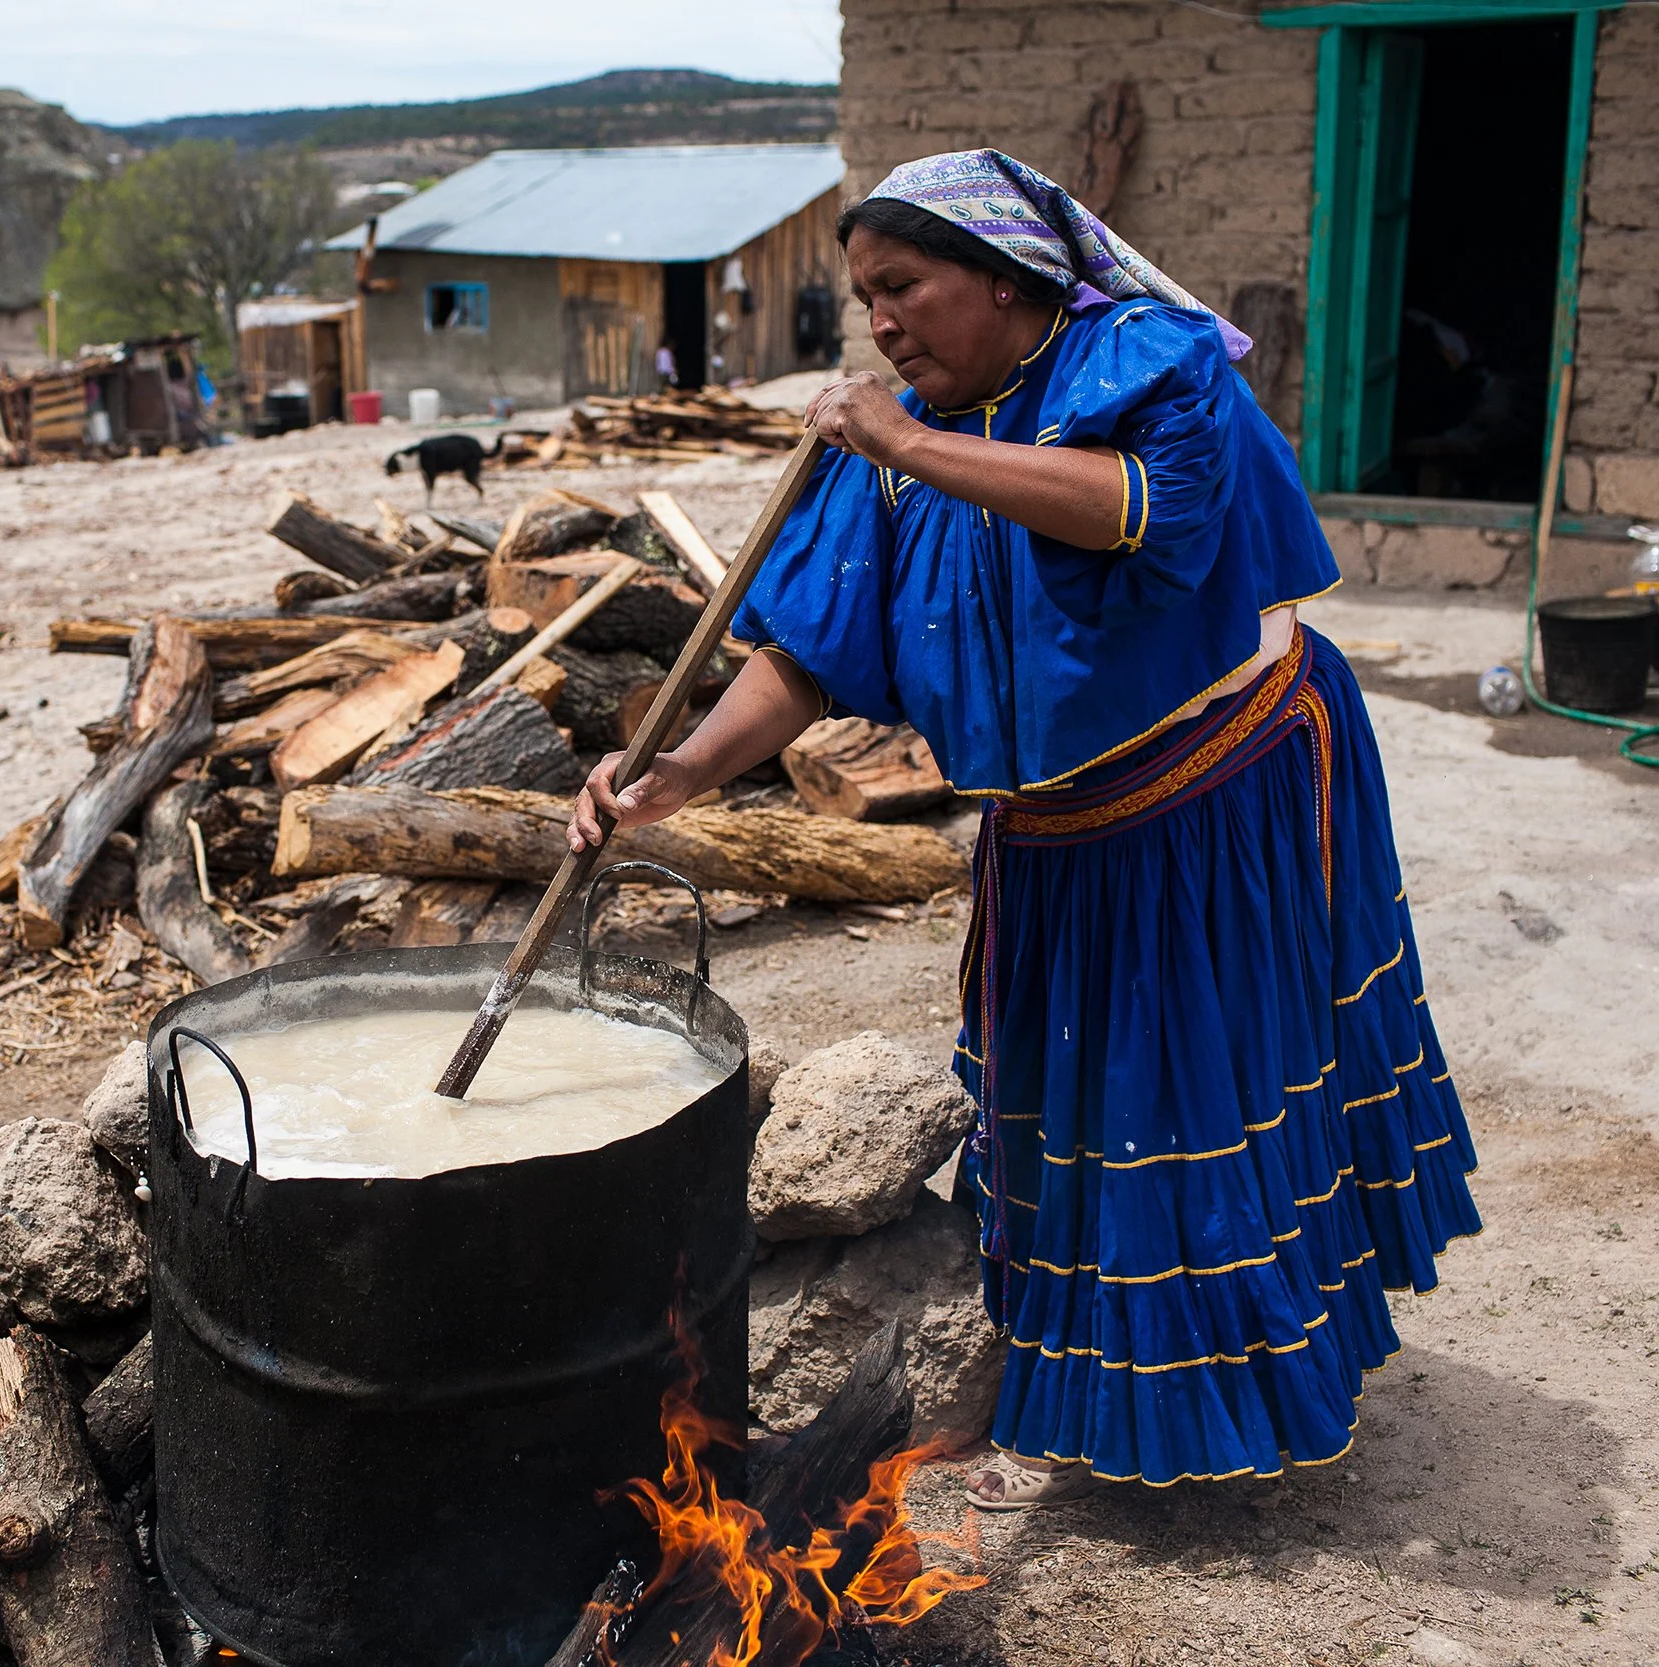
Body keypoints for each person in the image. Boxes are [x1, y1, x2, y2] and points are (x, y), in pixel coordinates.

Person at [569, 149, 1479, 1510]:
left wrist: (912, 442)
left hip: (1216, 791)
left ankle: (1243, 1398)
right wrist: (681, 775)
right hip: (1058, 828)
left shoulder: (1143, 367)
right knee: (1068, 1103)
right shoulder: (901, 444)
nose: (879, 321)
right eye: (862, 297)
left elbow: (1143, 515)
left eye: (903, 286)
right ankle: (1104, 1405)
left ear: (1008, 276)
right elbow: (814, 651)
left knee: (1199, 1087)